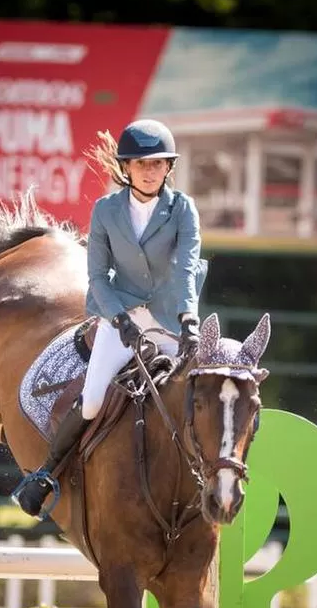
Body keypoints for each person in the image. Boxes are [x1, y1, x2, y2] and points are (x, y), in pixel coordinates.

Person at [13, 117, 208, 518]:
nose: (150, 172)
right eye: (142, 164)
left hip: (171, 314)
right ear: (127, 169)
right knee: (93, 400)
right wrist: (119, 320)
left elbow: (187, 267)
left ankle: (213, 479)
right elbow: (97, 276)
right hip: (120, 312)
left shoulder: (183, 208)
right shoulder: (106, 210)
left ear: (168, 167)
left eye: (158, 164)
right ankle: (46, 474)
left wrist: (189, 316)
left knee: (194, 396)